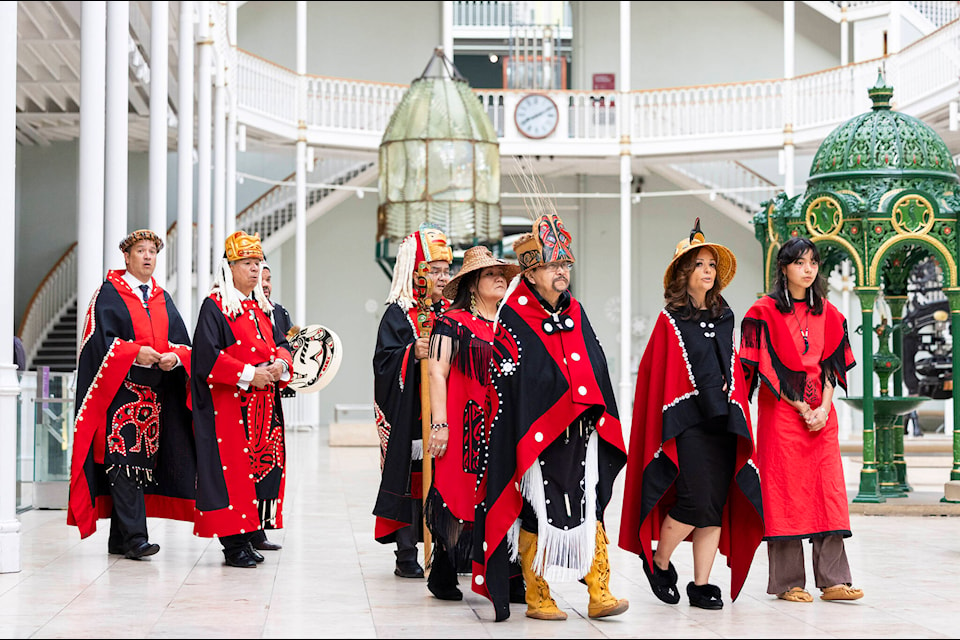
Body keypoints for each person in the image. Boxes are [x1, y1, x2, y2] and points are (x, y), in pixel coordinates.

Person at [473, 210, 629, 622]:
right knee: (535, 508)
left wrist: (592, 407)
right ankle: (538, 594)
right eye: (552, 266)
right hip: (536, 434)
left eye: (564, 264)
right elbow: (513, 377)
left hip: (581, 431)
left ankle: (600, 591)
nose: (562, 272)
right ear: (530, 272)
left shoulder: (575, 310)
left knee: (588, 503)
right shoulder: (513, 315)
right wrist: (552, 404)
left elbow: (593, 361)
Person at [619, 218, 764, 610]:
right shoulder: (670, 321)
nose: (707, 271)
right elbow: (661, 376)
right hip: (688, 424)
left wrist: (734, 403)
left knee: (714, 506)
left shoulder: (724, 317)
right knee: (693, 502)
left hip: (724, 422)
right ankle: (660, 561)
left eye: (711, 265)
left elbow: (732, 366)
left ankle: (701, 584)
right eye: (699, 264)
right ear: (684, 273)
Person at [739, 235, 862, 603]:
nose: (808, 270)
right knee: (785, 492)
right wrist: (801, 407)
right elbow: (763, 368)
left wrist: (823, 408)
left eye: (813, 262)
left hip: (822, 417)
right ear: (783, 268)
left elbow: (831, 366)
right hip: (781, 414)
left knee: (829, 491)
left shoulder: (829, 311)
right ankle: (788, 582)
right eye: (799, 262)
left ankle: (834, 580)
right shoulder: (762, 312)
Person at [66, 229, 196, 559]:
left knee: (137, 464)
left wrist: (175, 356)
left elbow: (183, 342)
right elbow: (97, 343)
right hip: (117, 395)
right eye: (141, 250)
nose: (149, 256)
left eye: (153, 251)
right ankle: (137, 538)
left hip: (154, 399)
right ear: (127, 256)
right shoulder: (109, 294)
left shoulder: (162, 297)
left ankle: (119, 538)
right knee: (121, 461)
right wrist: (133, 353)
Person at [191, 230, 294, 568]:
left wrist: (280, 363)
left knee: (256, 474)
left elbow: (281, 342)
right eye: (247, 263)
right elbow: (206, 358)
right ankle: (232, 544)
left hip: (262, 409)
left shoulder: (259, 307)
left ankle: (249, 536)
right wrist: (250, 374)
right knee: (232, 475)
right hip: (230, 409)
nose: (254, 269)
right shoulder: (216, 305)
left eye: (257, 263)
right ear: (230, 267)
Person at [424, 245, 521, 601]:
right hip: (464, 425)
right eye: (491, 275)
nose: (499, 279)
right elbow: (437, 371)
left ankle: (508, 574)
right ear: (473, 284)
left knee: (502, 493)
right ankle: (445, 570)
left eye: (502, 275)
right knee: (457, 492)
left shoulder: (510, 323)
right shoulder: (451, 322)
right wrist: (440, 423)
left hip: (503, 424)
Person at [373, 224, 452, 579]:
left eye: (446, 270)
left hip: (448, 410)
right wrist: (411, 353)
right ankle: (407, 552)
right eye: (435, 270)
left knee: (448, 480)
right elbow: (384, 363)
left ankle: (450, 551)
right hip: (410, 415)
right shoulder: (398, 314)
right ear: (417, 270)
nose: (442, 277)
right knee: (410, 477)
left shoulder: (452, 311)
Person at [246, 261, 293, 554]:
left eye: (269, 279)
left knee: (269, 467)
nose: (265, 284)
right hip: (244, 401)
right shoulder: (231, 309)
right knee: (247, 468)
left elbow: (285, 343)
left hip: (270, 401)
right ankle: (244, 531)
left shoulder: (277, 312)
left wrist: (282, 361)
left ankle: (260, 528)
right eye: (260, 278)